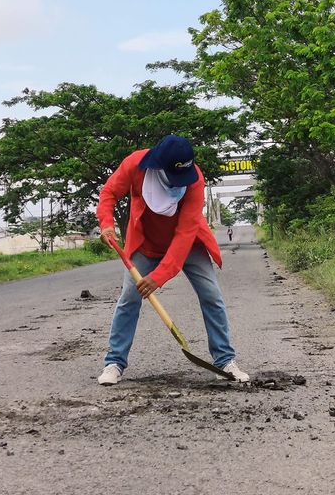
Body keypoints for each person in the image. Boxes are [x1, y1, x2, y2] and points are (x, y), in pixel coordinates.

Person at [96, 134, 249, 386]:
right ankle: (114, 362)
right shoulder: (135, 165)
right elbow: (109, 192)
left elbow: (185, 233)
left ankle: (224, 360)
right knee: (129, 298)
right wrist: (106, 223)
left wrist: (159, 276)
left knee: (212, 296)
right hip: (146, 244)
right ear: (158, 165)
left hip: (189, 245)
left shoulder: (195, 179)